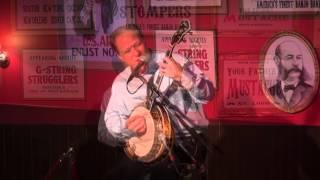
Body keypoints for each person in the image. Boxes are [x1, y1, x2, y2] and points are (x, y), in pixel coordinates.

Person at [98, 24, 215, 180]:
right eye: (127, 51)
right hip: (148, 150)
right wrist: (129, 128)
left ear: (144, 40)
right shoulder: (121, 83)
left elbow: (208, 94)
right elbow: (111, 122)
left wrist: (181, 75)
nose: (136, 53)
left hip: (185, 145)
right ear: (120, 56)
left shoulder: (175, 61)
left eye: (137, 44)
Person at [268, 41, 313, 108]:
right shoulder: (270, 92)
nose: (296, 63)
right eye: (289, 57)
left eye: (298, 57)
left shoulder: (311, 91)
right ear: (277, 60)